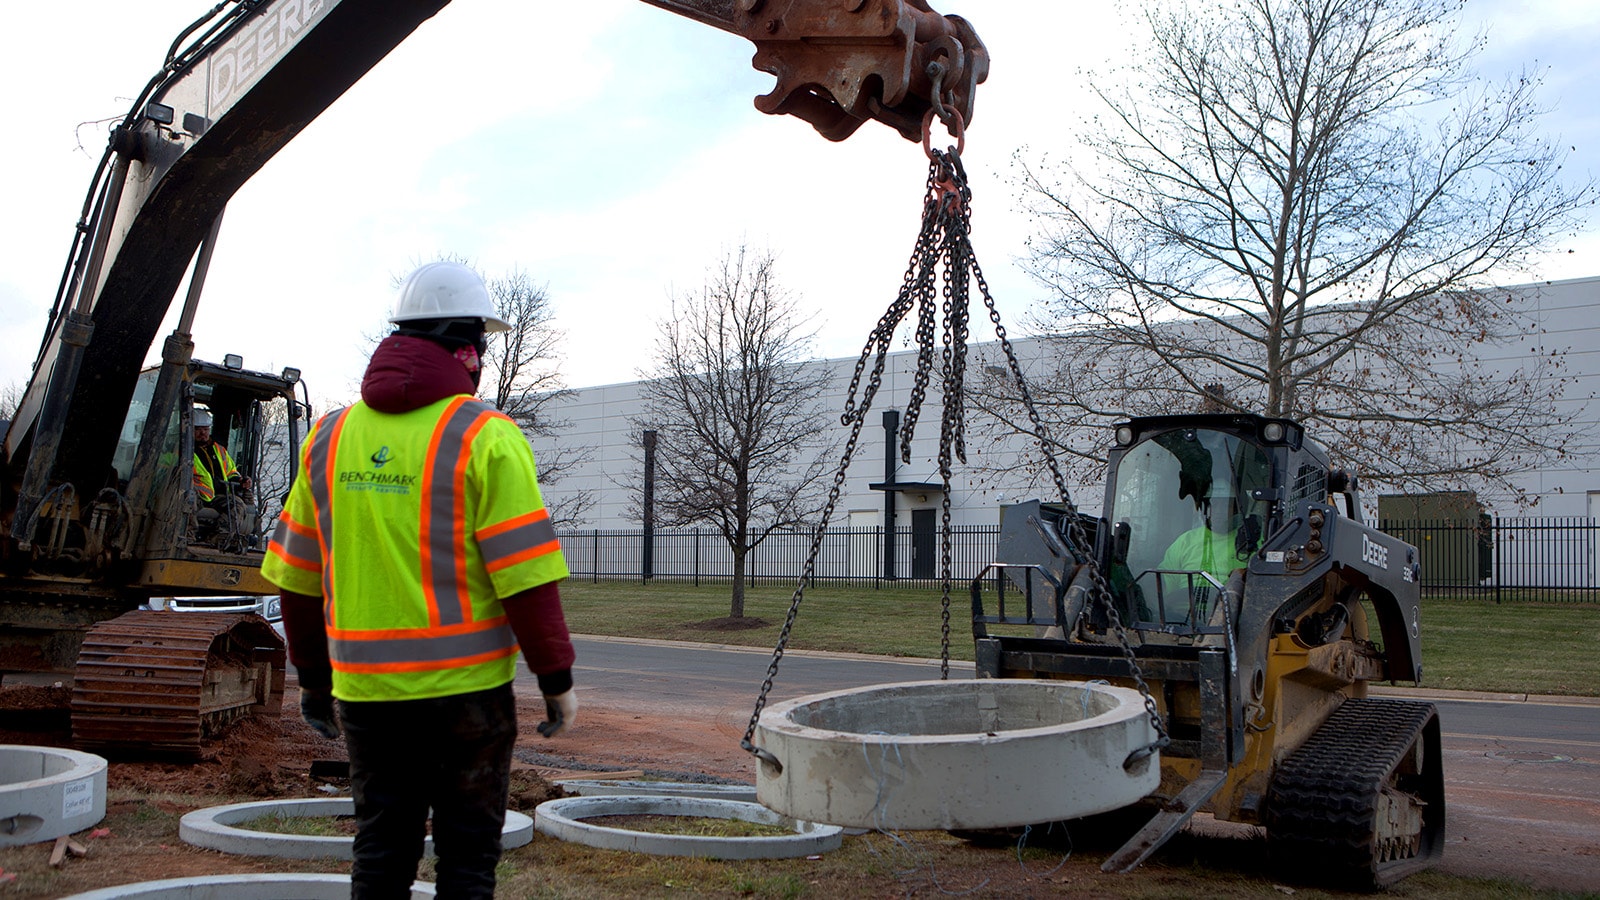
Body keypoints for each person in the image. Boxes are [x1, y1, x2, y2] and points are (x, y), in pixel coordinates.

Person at [261, 261, 577, 900]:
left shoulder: (329, 436)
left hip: (369, 699)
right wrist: (556, 680)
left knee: (380, 853)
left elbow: (294, 580)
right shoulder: (484, 436)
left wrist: (314, 683)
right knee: (467, 860)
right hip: (468, 700)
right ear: (467, 351)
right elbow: (527, 580)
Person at [192, 409, 253, 540]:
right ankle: (188, 536)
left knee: (237, 505)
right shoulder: (182, 450)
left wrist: (240, 481)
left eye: (205, 429)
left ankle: (220, 537)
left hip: (217, 496)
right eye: (198, 429)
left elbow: (231, 472)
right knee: (186, 503)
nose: (203, 433)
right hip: (195, 495)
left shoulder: (219, 450)